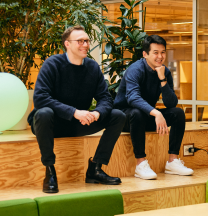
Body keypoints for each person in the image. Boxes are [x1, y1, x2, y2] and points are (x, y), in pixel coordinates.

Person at [28, 26, 126, 193]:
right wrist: (74, 112)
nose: (85, 44)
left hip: (79, 123)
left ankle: (95, 168)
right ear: (67, 44)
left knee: (118, 115)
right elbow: (40, 98)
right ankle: (50, 171)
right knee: (43, 112)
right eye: (80, 41)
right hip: (53, 124)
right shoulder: (52, 64)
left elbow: (105, 99)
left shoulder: (92, 67)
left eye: (86, 41)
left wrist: (96, 113)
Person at [114, 35, 193, 180]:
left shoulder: (165, 71)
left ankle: (172, 161)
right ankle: (141, 164)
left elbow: (171, 103)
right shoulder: (136, 70)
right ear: (145, 54)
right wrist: (156, 113)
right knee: (137, 113)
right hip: (125, 117)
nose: (160, 56)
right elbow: (132, 98)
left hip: (145, 116)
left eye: (163, 52)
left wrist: (162, 79)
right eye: (155, 52)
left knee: (178, 113)